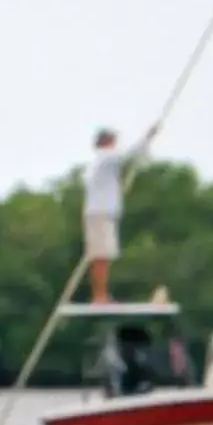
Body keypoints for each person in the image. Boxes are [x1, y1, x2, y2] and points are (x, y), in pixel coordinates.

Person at [84, 129, 125, 303]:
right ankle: (100, 296)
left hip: (102, 213)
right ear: (107, 142)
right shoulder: (105, 157)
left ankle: (101, 295)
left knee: (104, 257)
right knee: (101, 257)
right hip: (100, 213)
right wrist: (148, 137)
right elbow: (130, 154)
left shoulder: (102, 160)